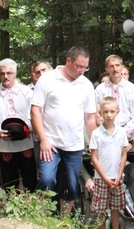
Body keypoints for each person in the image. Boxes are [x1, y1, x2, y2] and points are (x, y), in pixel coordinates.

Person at [31, 46, 97, 214]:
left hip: (74, 145)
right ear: (69, 61)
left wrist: (96, 144)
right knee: (46, 180)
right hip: (51, 142)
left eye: (85, 67)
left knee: (70, 186)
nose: (82, 71)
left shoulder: (86, 85)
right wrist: (43, 139)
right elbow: (35, 111)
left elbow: (90, 118)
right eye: (79, 66)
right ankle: (41, 219)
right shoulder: (47, 79)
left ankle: (64, 221)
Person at [0, 59, 37, 190]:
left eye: (9, 73)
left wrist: (26, 129)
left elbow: (36, 116)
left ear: (15, 73)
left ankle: (31, 208)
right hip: (4, 146)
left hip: (25, 143)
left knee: (30, 179)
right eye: (2, 73)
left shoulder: (26, 92)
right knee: (9, 182)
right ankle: (11, 208)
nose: (6, 76)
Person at [90, 97, 129, 229]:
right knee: (101, 211)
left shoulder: (121, 132)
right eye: (105, 112)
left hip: (117, 177)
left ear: (117, 112)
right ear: (100, 113)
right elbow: (94, 158)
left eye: (112, 111)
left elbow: (124, 154)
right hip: (101, 178)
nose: (109, 115)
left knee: (116, 209)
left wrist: (119, 175)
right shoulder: (96, 134)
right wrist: (105, 178)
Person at [95, 54, 134, 144]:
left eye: (117, 65)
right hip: (105, 136)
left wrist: (124, 133)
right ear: (106, 69)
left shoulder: (131, 89)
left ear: (122, 67)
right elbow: (94, 112)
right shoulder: (100, 90)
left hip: (127, 137)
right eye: (111, 66)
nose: (115, 69)